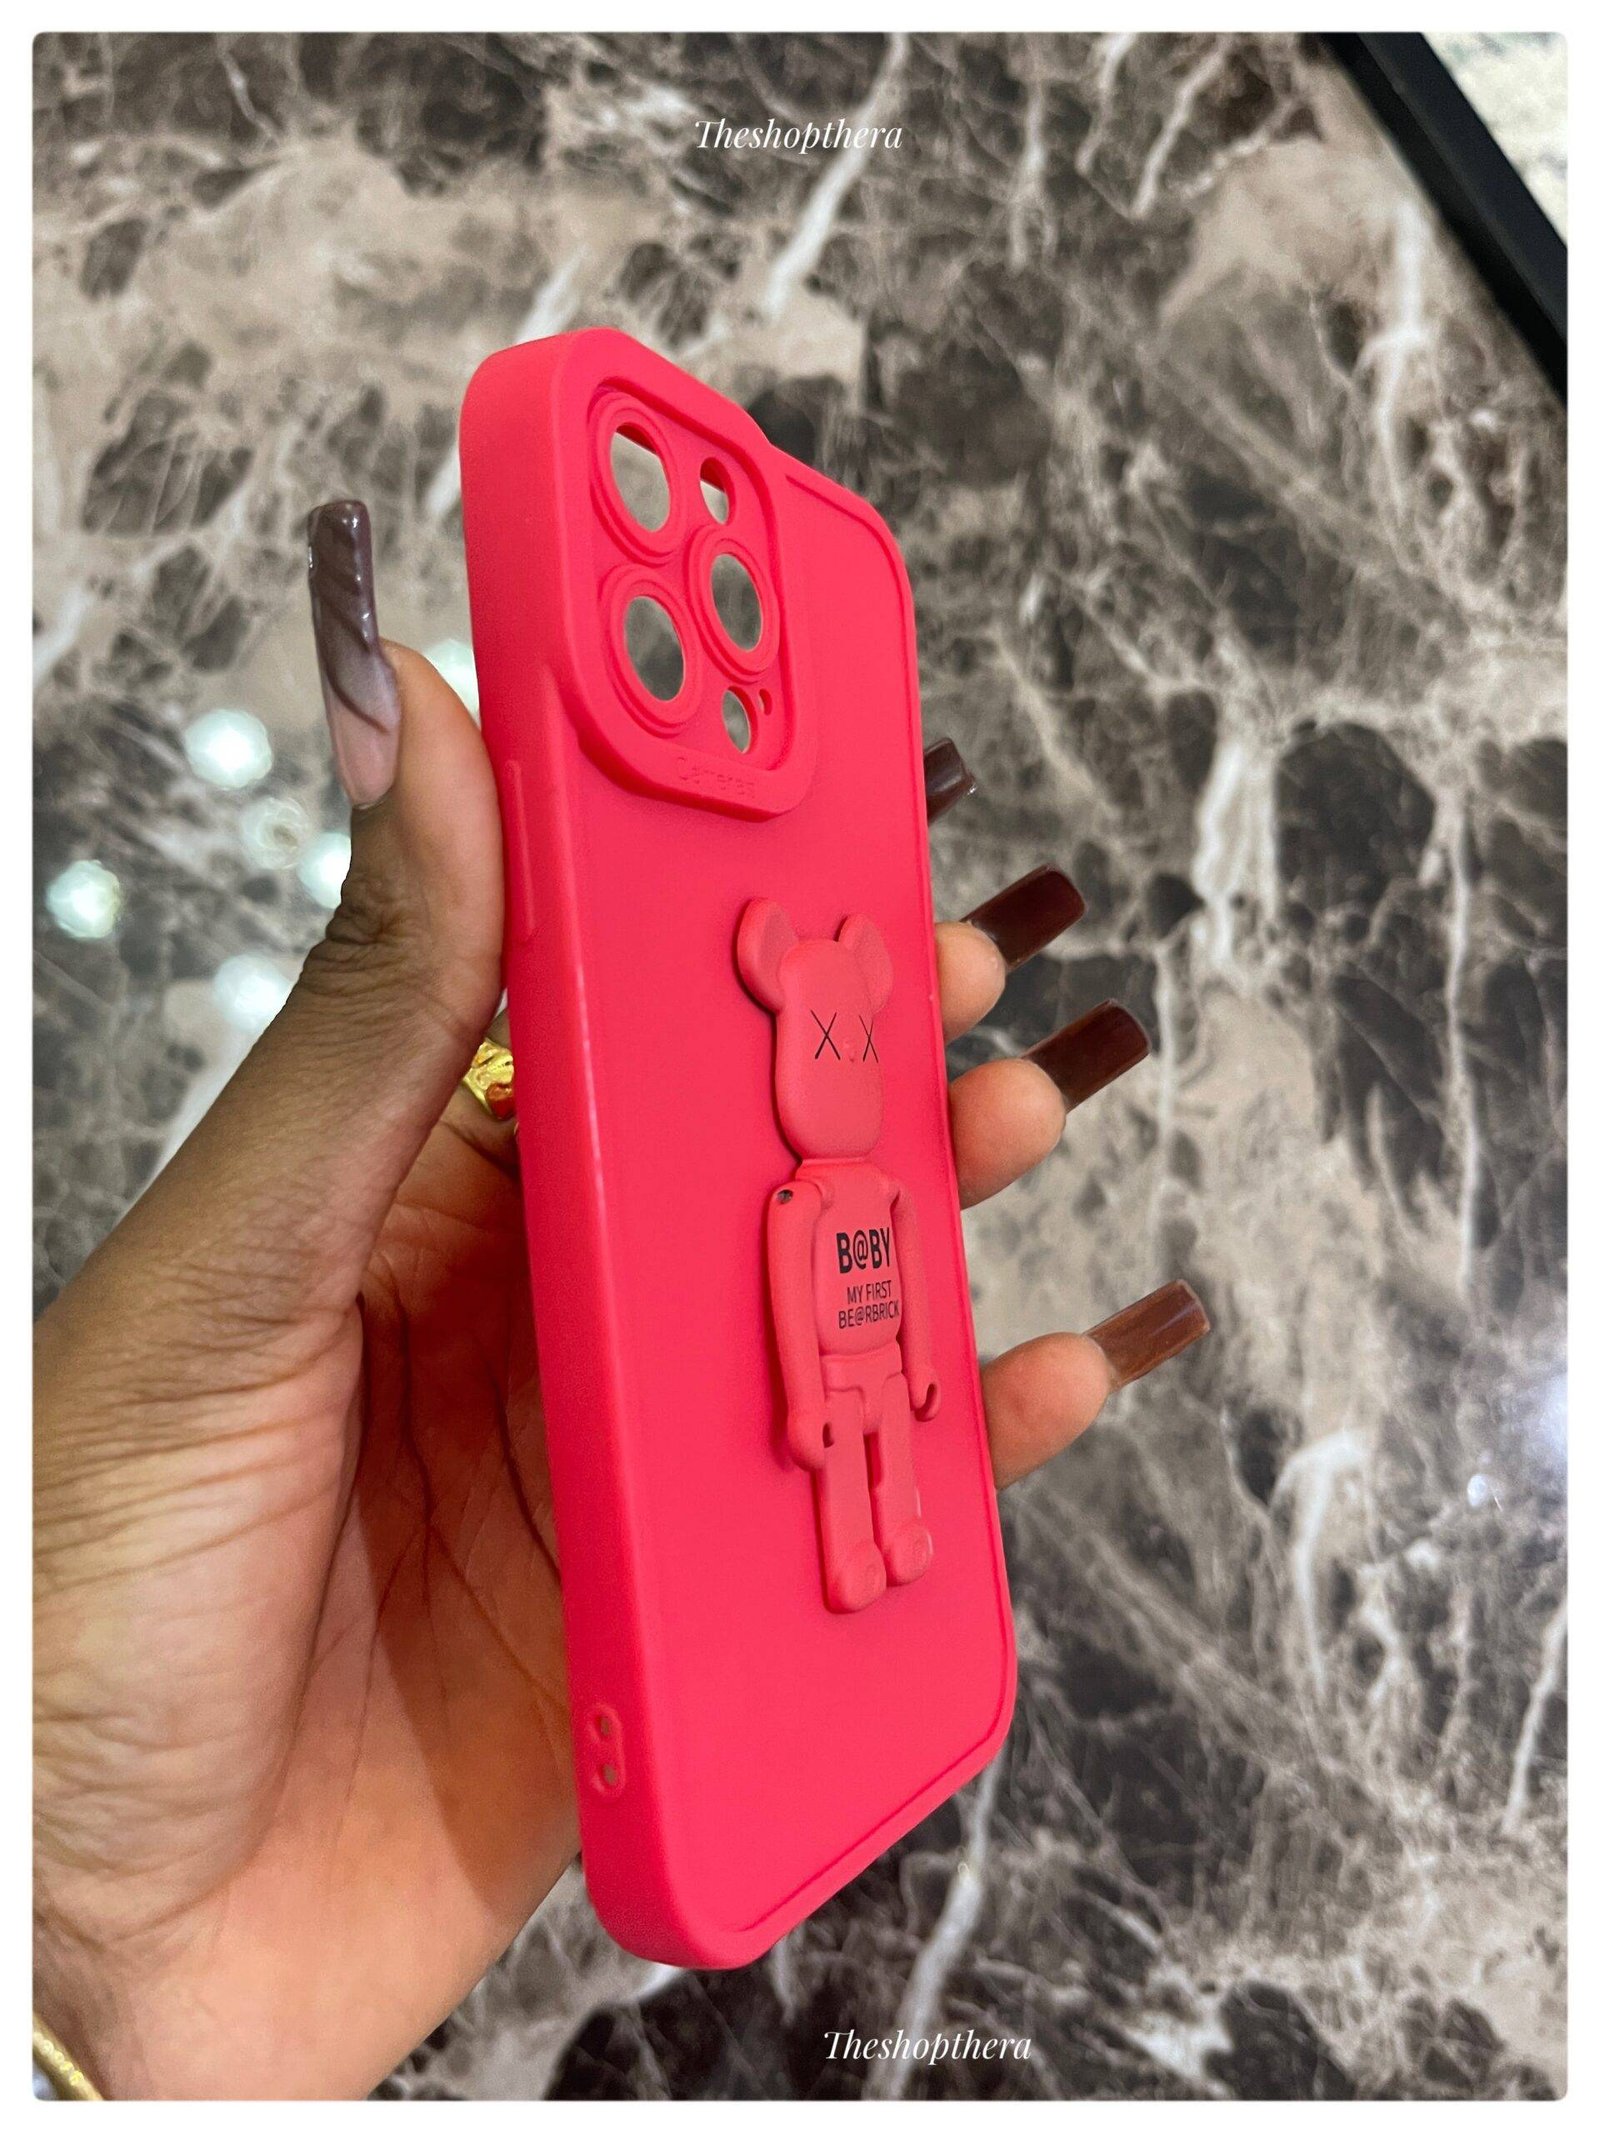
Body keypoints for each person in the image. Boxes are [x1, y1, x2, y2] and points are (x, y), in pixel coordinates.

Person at [33, 500, 1209, 2100]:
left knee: (888, 1436)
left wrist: (75, 1980)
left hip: (868, 1366)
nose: (838, 1046)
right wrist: (65, 1934)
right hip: (815, 1383)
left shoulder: (842, 1169)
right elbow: (780, 1263)